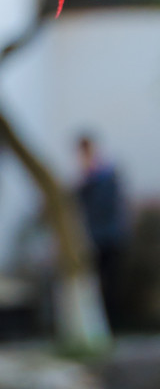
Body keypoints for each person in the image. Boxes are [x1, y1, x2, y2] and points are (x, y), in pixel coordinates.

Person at [75, 134, 128, 328]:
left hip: (110, 237)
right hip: (95, 238)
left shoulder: (105, 176)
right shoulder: (86, 179)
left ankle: (115, 324)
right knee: (99, 284)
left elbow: (106, 206)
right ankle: (106, 325)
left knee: (111, 283)